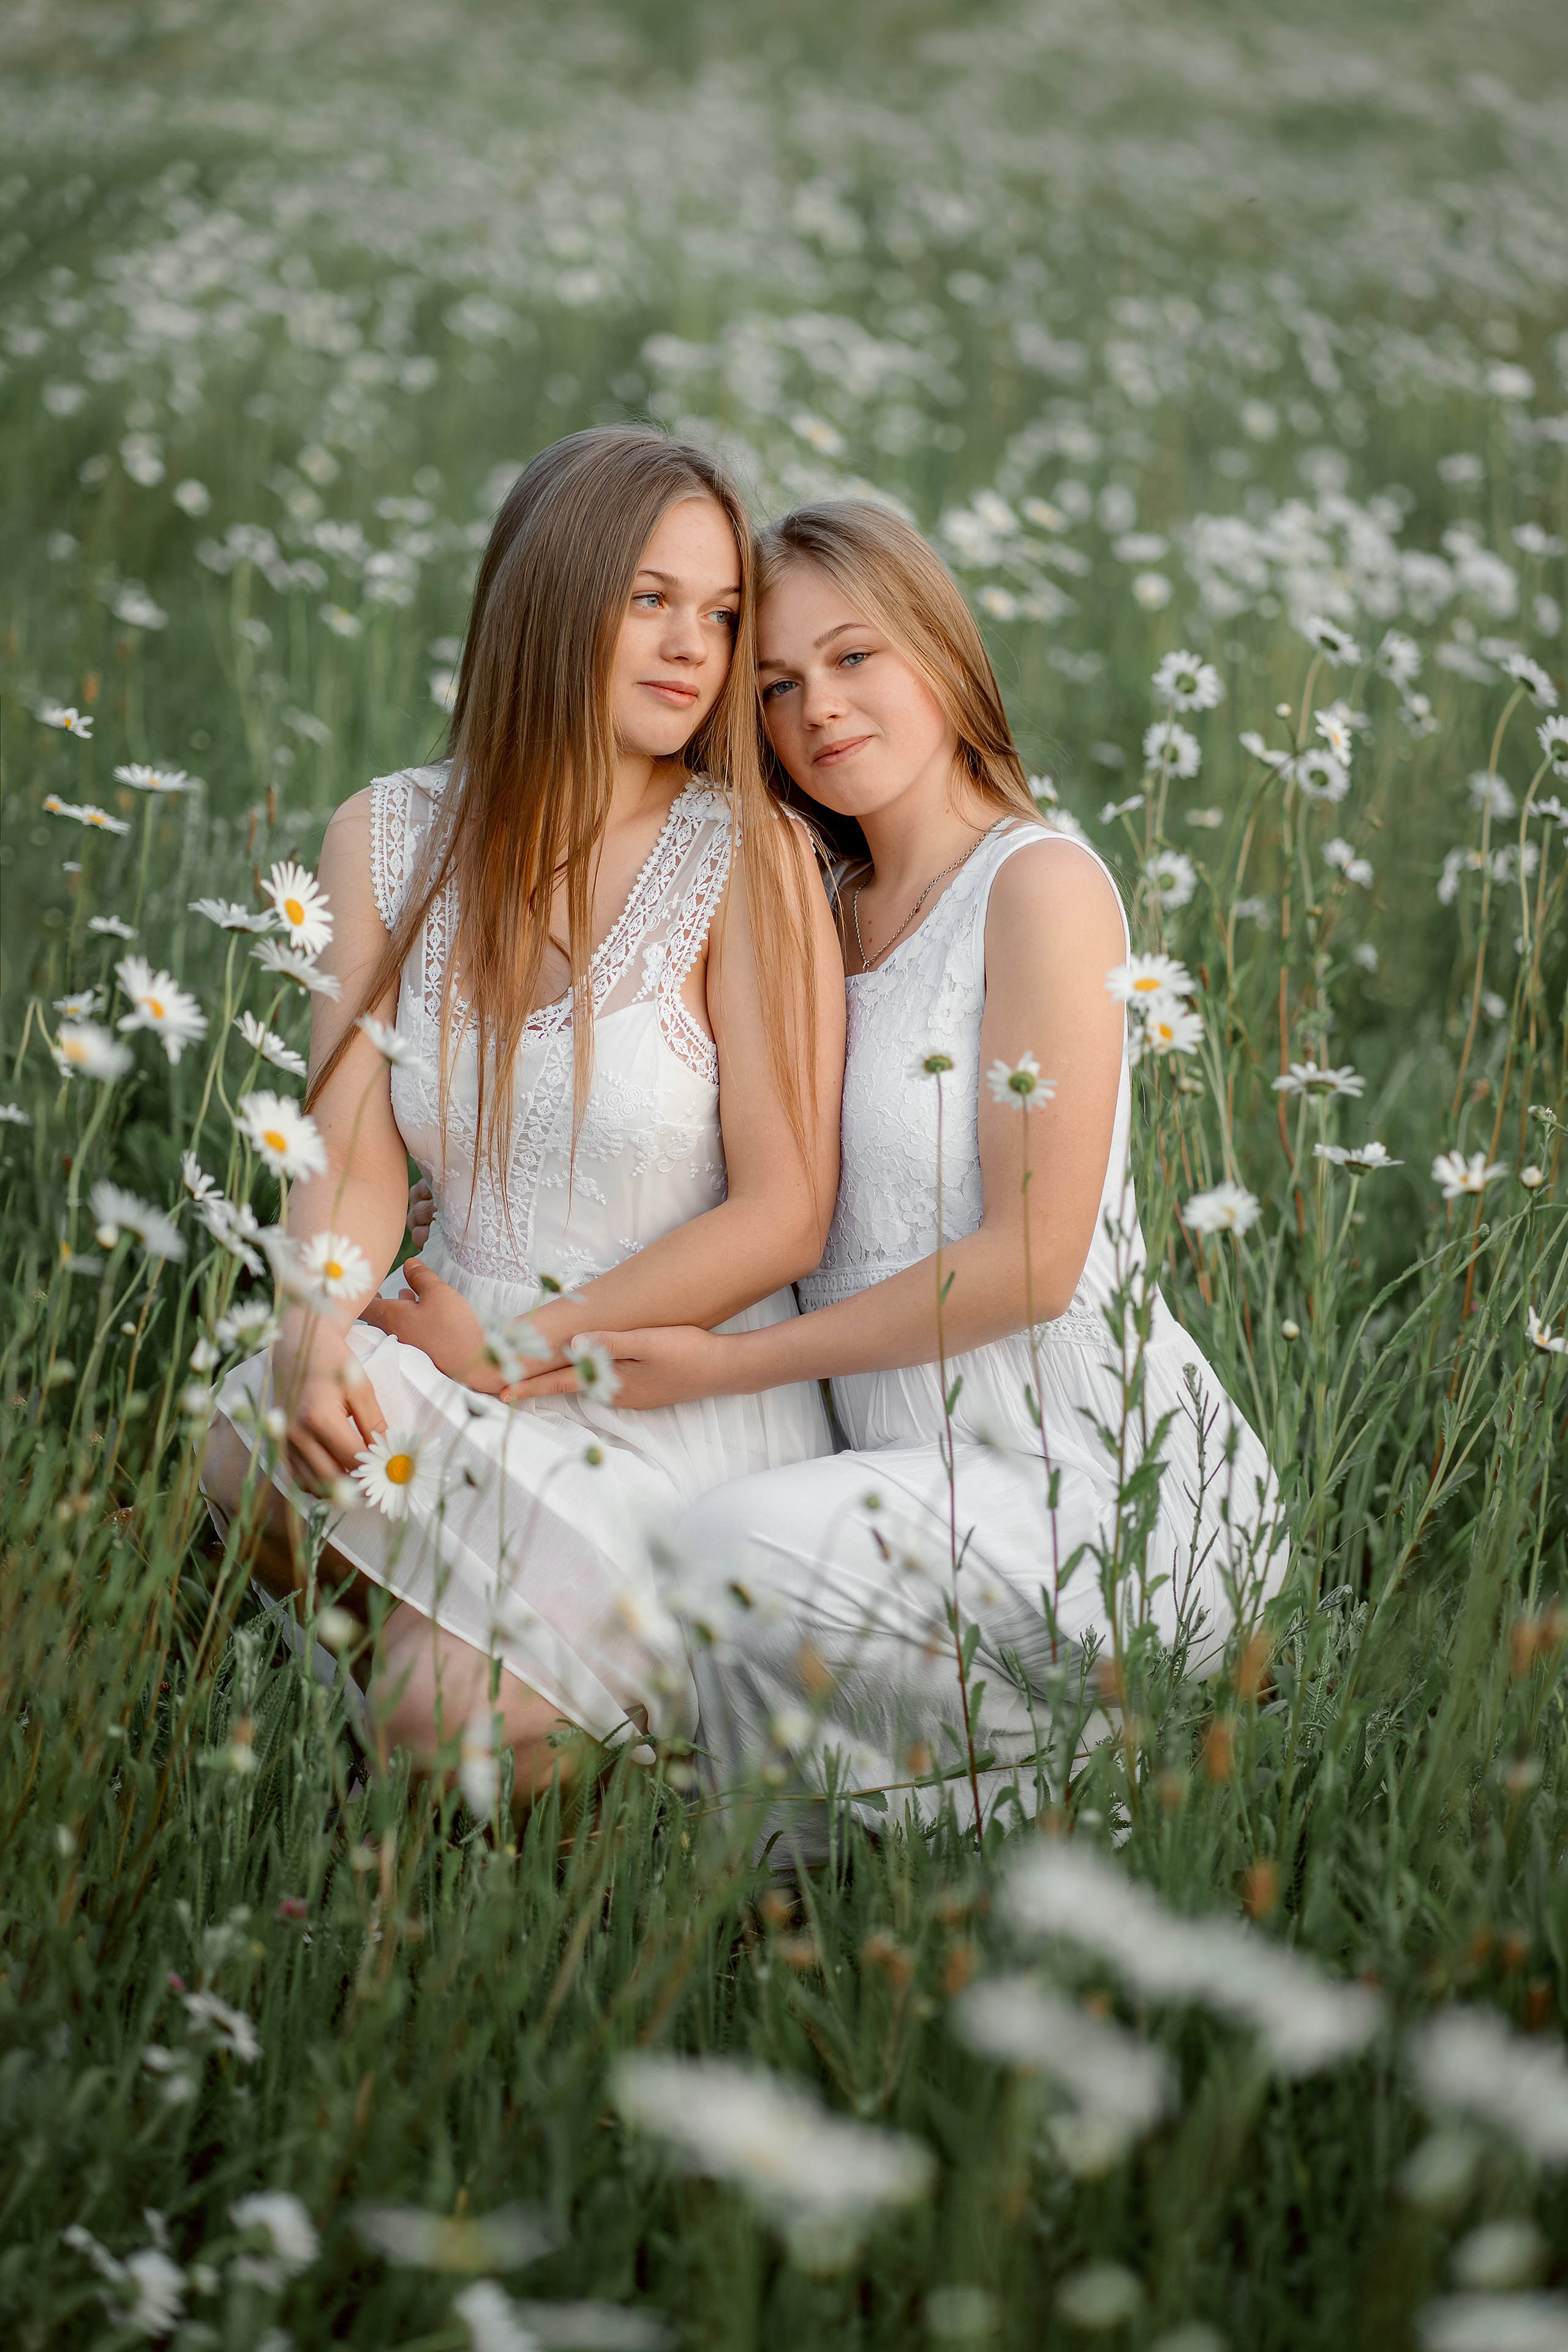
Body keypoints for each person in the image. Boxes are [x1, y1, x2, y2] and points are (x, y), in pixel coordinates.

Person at [496, 500, 1289, 1843]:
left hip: (1091, 1484)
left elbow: (1033, 1262)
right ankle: (860, 1862)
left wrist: (724, 1365)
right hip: (892, 1476)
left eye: (854, 658)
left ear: (939, 646)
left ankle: (1069, 1778)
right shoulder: (807, 895)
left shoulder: (1037, 886)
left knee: (717, 1554)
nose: (818, 710)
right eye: (777, 686)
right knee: (636, 1571)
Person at [203, 428, 843, 1801]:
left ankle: (575, 1741)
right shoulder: (384, 836)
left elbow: (782, 1213)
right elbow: (353, 1153)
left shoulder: (747, 854)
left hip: (648, 1391)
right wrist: (318, 1321)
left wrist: (518, 1344)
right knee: (250, 1425)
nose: (694, 648)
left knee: (443, 1723)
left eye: (723, 615)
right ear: (550, 598)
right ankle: (452, 1673)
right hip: (454, 1344)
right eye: (649, 600)